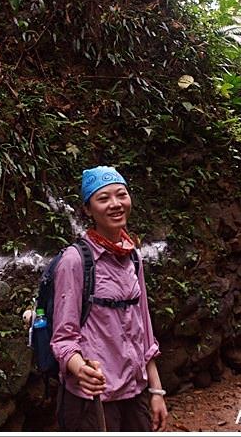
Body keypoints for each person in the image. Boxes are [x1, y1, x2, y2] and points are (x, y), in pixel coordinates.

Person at [51, 166, 168, 432]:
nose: (115, 204)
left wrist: (157, 391)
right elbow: (63, 339)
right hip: (93, 399)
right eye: (103, 199)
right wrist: (80, 369)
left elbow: (144, 330)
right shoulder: (75, 261)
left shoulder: (133, 256)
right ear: (88, 210)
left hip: (134, 390)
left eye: (121, 195)